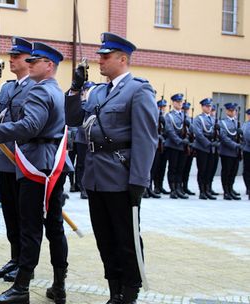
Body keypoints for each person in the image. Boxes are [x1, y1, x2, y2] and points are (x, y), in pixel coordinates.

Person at [0, 42, 69, 304]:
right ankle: (58, 285)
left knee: (30, 227)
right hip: (51, 163)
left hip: (35, 164)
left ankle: (21, 289)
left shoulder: (41, 91)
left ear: (49, 65)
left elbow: (30, 126)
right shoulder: (54, 89)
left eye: (34, 61)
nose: (29, 64)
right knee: (53, 226)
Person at [76, 32, 157, 304]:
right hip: (96, 175)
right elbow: (74, 118)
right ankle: (114, 290)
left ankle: (130, 291)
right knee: (104, 237)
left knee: (126, 237)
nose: (100, 61)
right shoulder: (98, 91)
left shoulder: (139, 89)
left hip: (122, 176)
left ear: (123, 59)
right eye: (99, 56)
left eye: (105, 56)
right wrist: (75, 90)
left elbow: (146, 138)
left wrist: (139, 181)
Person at [0, 37, 36, 281]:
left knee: (24, 216)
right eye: (11, 55)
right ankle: (15, 258)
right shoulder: (8, 88)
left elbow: (27, 124)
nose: (11, 59)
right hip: (4, 157)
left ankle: (26, 264)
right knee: (10, 214)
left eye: (16, 56)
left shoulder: (35, 87)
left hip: (23, 158)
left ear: (28, 60)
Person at [164, 93, 190, 199]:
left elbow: (189, 130)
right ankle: (173, 189)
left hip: (183, 146)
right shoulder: (169, 116)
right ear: (173, 103)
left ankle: (179, 188)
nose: (180, 104)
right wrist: (179, 141)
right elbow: (169, 130)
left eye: (181, 102)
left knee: (181, 168)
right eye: (177, 102)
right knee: (173, 168)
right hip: (174, 145)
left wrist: (187, 139)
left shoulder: (185, 116)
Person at [193, 98, 218, 200]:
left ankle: (208, 189)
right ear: (202, 107)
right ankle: (202, 191)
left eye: (210, 106)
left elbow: (216, 133)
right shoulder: (198, 119)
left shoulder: (213, 119)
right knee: (202, 170)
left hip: (212, 148)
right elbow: (198, 133)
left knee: (210, 170)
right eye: (207, 106)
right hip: (203, 148)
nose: (208, 108)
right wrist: (208, 143)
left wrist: (216, 139)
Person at [219, 103, 242, 200]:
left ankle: (230, 189)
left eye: (234, 110)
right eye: (231, 110)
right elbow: (224, 137)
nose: (233, 112)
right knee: (226, 172)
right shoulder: (222, 123)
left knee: (233, 172)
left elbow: (239, 136)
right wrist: (236, 145)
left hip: (235, 153)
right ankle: (226, 191)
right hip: (227, 152)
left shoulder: (237, 122)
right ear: (227, 111)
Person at [153, 99, 170, 195]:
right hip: (157, 146)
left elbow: (168, 130)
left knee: (162, 167)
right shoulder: (155, 116)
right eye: (161, 107)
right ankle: (152, 187)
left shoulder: (166, 118)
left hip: (164, 146)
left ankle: (160, 185)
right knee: (154, 167)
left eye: (164, 107)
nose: (163, 109)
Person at [181, 102, 196, 196]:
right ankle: (178, 187)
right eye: (184, 110)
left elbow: (194, 132)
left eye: (187, 110)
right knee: (180, 168)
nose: (186, 112)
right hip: (182, 146)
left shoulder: (191, 120)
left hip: (189, 147)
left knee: (187, 168)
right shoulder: (179, 120)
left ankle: (185, 186)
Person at [242, 109, 250, 200]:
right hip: (248, 150)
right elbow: (248, 137)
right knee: (247, 170)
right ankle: (248, 187)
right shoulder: (247, 125)